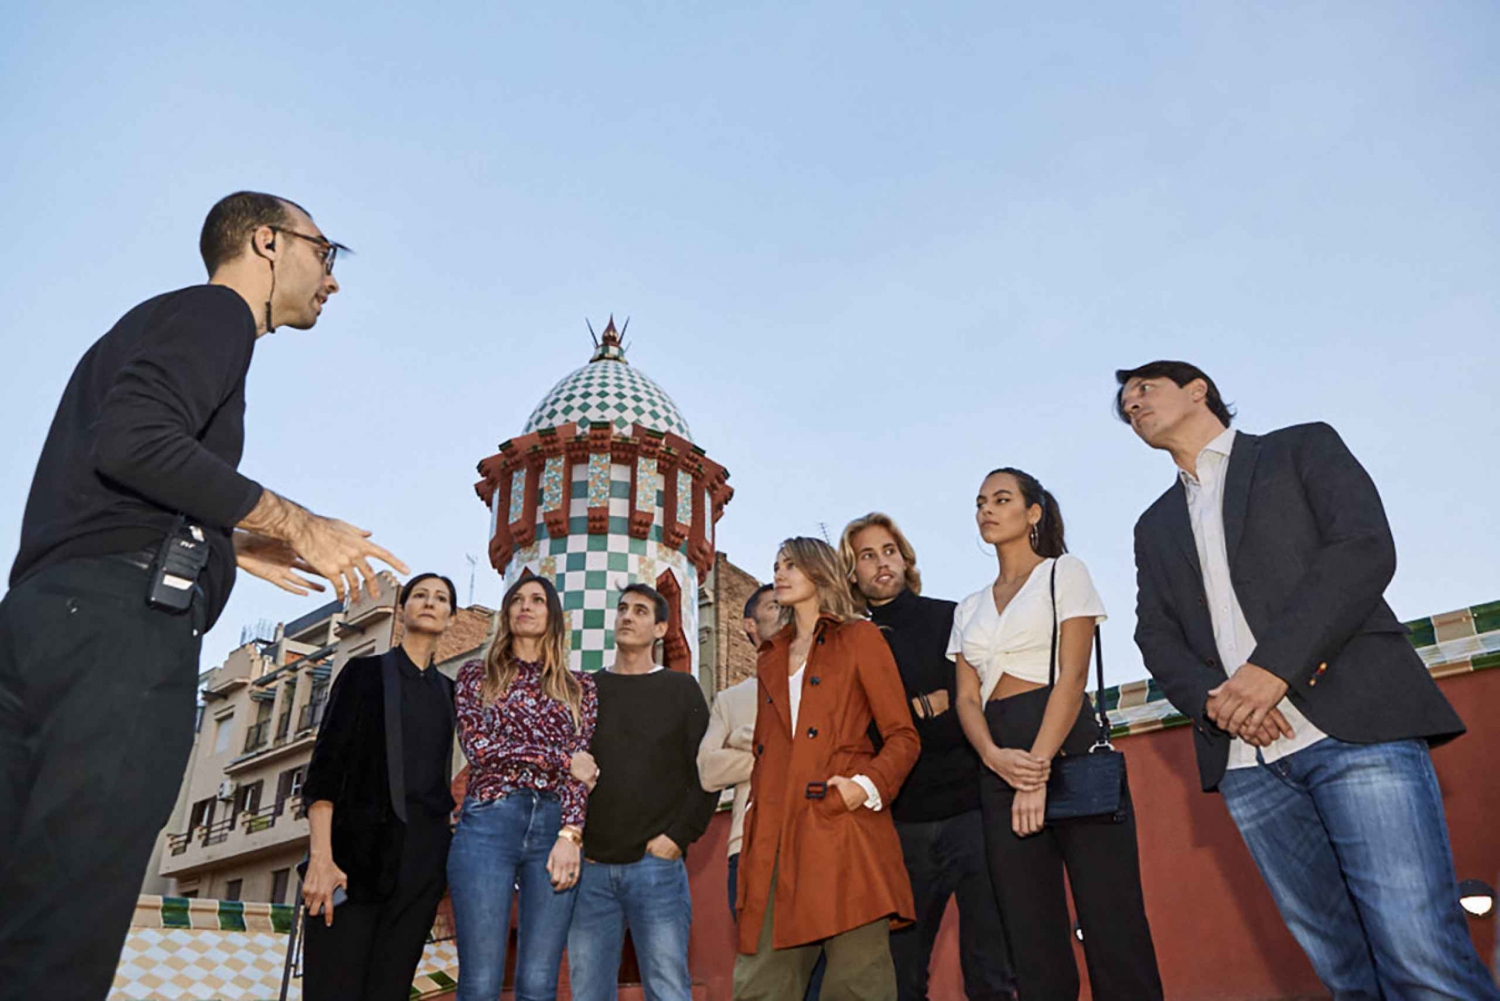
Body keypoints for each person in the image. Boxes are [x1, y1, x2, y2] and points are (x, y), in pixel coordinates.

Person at [0, 191, 405, 999]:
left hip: (48, 621)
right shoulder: (215, 317)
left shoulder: (149, 326)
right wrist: (298, 522)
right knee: (64, 922)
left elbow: (119, 461)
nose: (332, 280)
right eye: (326, 253)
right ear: (266, 242)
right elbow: (138, 441)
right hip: (118, 637)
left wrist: (224, 534)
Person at [1117, 359, 1496, 999]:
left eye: (1143, 390)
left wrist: (1271, 673)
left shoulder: (1300, 448)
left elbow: (1362, 548)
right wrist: (1219, 704)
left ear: (1197, 389)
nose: (1131, 406)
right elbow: (1154, 634)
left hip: (1356, 732)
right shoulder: (1152, 526)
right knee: (1344, 973)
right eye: (1124, 405)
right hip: (1249, 766)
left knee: (1419, 953)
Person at [951, 469, 1162, 1000]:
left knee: (1111, 920)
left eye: (1002, 500)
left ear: (1034, 512)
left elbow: (1072, 679)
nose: (987, 511)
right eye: (980, 503)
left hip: (1063, 744)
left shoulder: (1063, 573)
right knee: (1028, 931)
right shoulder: (968, 607)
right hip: (996, 757)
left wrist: (1036, 768)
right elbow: (966, 699)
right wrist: (995, 758)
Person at [734, 537, 919, 1001]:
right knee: (759, 984)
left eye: (792, 563)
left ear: (820, 571)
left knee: (858, 984)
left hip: (842, 827)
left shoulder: (860, 638)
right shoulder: (770, 655)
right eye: (776, 564)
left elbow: (903, 735)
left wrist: (863, 787)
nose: (779, 572)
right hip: (774, 833)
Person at [841, 513, 1016, 1001]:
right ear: (851, 572)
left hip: (971, 811)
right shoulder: (849, 640)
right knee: (902, 974)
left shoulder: (950, 617)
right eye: (867, 556)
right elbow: (862, 733)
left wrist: (920, 715)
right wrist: (927, 708)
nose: (881, 563)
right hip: (899, 826)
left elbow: (972, 706)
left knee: (990, 966)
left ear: (905, 558)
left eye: (889, 551)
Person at [299, 573, 460, 1001]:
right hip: (352, 863)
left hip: (421, 868)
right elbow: (325, 770)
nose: (430, 603)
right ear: (402, 609)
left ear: (450, 617)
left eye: (440, 598)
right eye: (420, 595)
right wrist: (321, 858)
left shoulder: (451, 693)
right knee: (333, 990)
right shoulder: (364, 673)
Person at [447, 574, 597, 1001]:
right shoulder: (476, 675)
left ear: (552, 616)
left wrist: (571, 833)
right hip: (488, 822)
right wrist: (560, 759)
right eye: (516, 600)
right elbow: (479, 749)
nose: (525, 607)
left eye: (536, 600)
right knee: (480, 982)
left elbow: (582, 772)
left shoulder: (580, 687)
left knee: (538, 983)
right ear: (506, 612)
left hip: (554, 826)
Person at [567, 583, 719, 1001]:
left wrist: (677, 838)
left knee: (668, 990)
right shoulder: (587, 691)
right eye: (622, 609)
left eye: (639, 610)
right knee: (586, 992)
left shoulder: (681, 689)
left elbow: (706, 772)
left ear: (660, 628)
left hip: (656, 869)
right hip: (591, 869)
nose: (627, 617)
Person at [699, 584, 780, 916]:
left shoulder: (819, 686)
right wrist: (775, 754)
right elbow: (706, 771)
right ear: (750, 624)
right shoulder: (730, 699)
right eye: (775, 606)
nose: (786, 612)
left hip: (814, 841)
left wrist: (746, 738)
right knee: (755, 961)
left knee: (820, 965)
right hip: (746, 845)